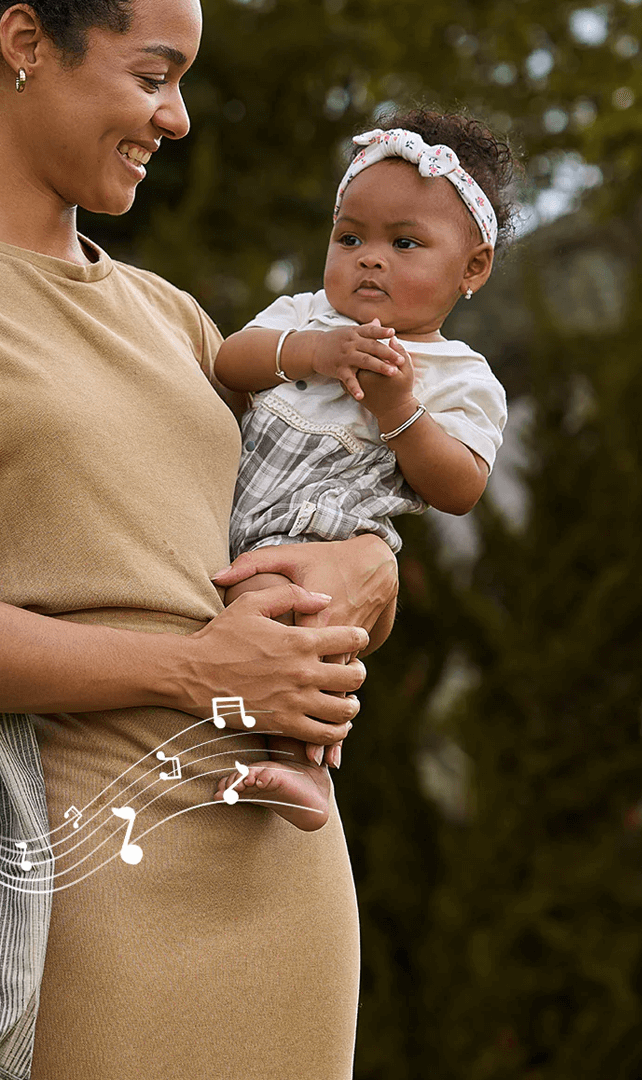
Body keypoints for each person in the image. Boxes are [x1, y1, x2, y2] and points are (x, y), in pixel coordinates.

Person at [0, 1, 396, 1076]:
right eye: (154, 75)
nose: (180, 118)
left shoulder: (178, 322)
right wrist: (200, 670)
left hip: (285, 884)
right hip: (78, 889)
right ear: (25, 43)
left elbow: (303, 522)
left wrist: (365, 571)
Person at [213, 111, 515, 831]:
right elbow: (230, 360)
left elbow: (461, 487)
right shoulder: (306, 315)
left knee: (290, 627)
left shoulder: (460, 378)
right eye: (350, 238)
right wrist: (313, 352)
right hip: (226, 512)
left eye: (404, 243)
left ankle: (300, 767)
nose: (369, 259)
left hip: (318, 543)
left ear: (472, 268)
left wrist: (400, 409)